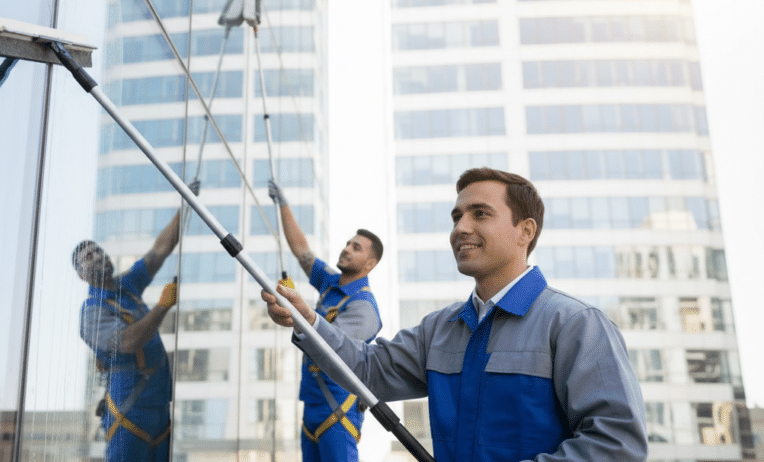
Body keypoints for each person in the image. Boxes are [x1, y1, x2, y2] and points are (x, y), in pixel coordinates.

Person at [262, 168, 649, 462]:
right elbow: (366, 371)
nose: (460, 228)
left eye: (480, 214)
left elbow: (616, 444)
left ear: (525, 231)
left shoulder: (576, 325)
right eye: (456, 216)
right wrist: (309, 323)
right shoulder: (440, 329)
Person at [73, 180, 199, 462]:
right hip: (129, 410)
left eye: (98, 250)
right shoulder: (92, 312)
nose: (97, 256)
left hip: (157, 406)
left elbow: (160, 250)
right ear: (82, 275)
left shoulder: (126, 286)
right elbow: (127, 342)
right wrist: (162, 307)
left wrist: (186, 205)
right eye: (88, 257)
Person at [267, 178, 383, 462]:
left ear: (370, 264)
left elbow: (329, 344)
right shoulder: (330, 283)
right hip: (312, 404)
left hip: (339, 407)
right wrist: (283, 205)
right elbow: (301, 250)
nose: (347, 249)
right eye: (348, 243)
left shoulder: (364, 308)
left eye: (357, 248)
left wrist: (295, 311)